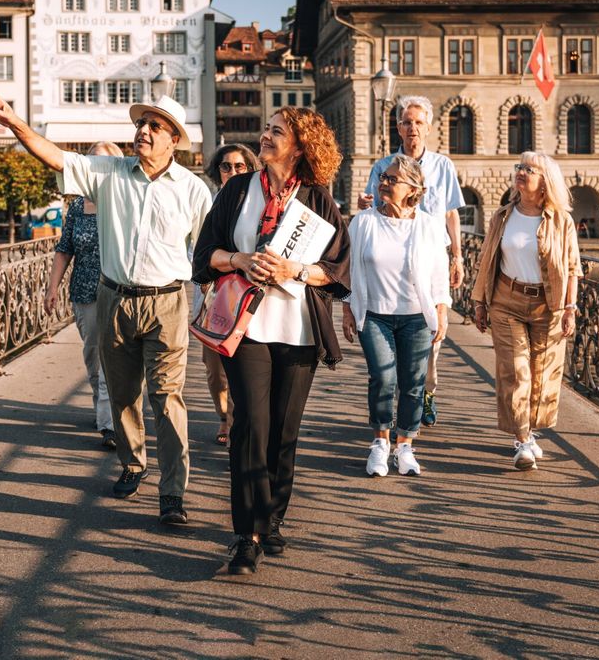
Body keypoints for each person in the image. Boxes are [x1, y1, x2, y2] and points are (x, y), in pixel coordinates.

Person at [0, 90, 212, 528]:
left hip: (166, 301)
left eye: (155, 127)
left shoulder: (193, 190)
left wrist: (205, 306)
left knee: (167, 399)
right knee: (124, 392)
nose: (143, 131)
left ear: (174, 140)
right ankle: (133, 463)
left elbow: (206, 253)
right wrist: (14, 122)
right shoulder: (109, 173)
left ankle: (172, 492)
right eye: (141, 124)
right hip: (113, 297)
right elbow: (54, 156)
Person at [193, 107, 350, 576]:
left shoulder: (319, 199)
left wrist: (294, 270)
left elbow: (338, 271)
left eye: (276, 132)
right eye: (266, 129)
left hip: (299, 330)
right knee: (249, 428)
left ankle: (273, 516)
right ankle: (248, 535)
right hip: (246, 329)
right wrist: (239, 259)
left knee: (283, 432)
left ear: (300, 146)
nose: (264, 136)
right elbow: (204, 255)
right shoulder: (238, 190)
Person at [356, 96, 464, 427]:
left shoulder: (443, 166)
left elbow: (450, 213)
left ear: (428, 127)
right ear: (398, 127)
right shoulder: (383, 165)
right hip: (391, 263)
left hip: (429, 258)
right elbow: (371, 208)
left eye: (418, 122)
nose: (411, 127)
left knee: (430, 339)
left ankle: (423, 393)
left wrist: (457, 256)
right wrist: (364, 202)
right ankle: (397, 410)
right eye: (406, 121)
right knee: (391, 349)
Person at [470, 152, 581, 471]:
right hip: (507, 301)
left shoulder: (561, 220)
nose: (521, 172)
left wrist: (570, 308)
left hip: (549, 304)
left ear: (544, 181)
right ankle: (521, 439)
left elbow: (573, 268)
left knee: (541, 375)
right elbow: (487, 259)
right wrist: (480, 301)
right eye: (519, 167)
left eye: (529, 169)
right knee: (515, 372)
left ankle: (529, 432)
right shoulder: (503, 216)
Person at [344, 154, 450, 478]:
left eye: (391, 179)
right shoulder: (363, 222)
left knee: (413, 383)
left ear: (412, 189)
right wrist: (348, 309)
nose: (383, 183)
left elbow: (438, 272)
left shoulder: (429, 226)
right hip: (374, 314)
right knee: (383, 377)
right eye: (383, 178)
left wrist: (441, 310)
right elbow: (349, 271)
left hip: (417, 316)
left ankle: (405, 445)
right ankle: (380, 442)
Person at [45, 140, 126, 451]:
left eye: (102, 163)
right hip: (84, 292)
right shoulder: (77, 206)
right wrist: (52, 287)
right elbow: (64, 249)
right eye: (90, 162)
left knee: (111, 360)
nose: (95, 168)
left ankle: (110, 424)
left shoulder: (123, 202)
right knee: (93, 358)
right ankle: (102, 408)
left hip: (118, 292)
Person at [200, 143, 262, 445]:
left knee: (244, 367)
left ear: (250, 169)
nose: (233, 171)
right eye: (226, 166)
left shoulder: (259, 204)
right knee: (214, 370)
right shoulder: (207, 202)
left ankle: (237, 424)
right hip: (213, 297)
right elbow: (195, 248)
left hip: (249, 299)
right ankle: (224, 415)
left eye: (240, 166)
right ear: (218, 171)